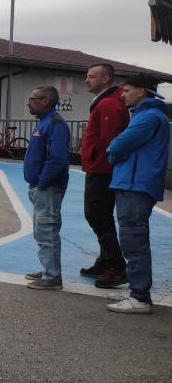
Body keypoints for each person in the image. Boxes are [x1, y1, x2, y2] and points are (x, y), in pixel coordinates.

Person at [104, 75, 168, 314]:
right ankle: (136, 290)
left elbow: (118, 146)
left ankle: (139, 297)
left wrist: (112, 152)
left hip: (135, 185)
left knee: (133, 240)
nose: (122, 95)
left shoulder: (148, 116)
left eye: (127, 90)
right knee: (133, 239)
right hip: (134, 184)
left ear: (141, 91)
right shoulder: (148, 115)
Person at [77, 63, 130, 288]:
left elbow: (111, 140)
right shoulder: (107, 101)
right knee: (101, 215)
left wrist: (99, 159)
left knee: (97, 215)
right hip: (100, 167)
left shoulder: (108, 104)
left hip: (102, 169)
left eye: (92, 76)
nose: (86, 80)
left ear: (105, 79)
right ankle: (105, 262)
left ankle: (116, 266)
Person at [22, 86, 71, 290]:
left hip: (48, 187)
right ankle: (49, 269)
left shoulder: (54, 123)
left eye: (32, 99)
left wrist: (42, 183)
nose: (29, 102)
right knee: (42, 231)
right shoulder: (44, 122)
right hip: (41, 186)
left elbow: (57, 158)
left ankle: (52, 277)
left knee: (47, 230)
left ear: (45, 101)